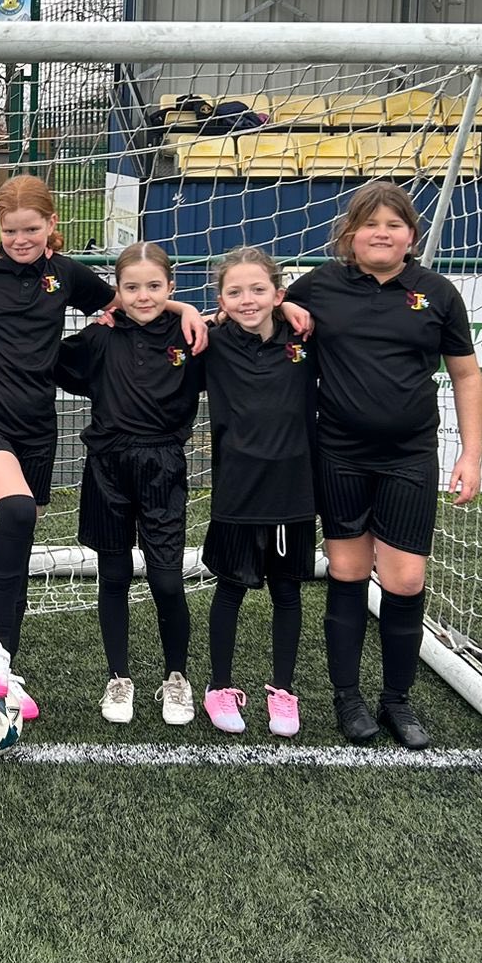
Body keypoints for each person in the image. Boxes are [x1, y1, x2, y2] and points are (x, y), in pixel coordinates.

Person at [0, 176, 207, 721]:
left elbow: (128, 300)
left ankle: (8, 669)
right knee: (18, 510)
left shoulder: (65, 274)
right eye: (10, 230)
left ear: (51, 226)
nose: (20, 239)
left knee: (20, 537)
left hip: (36, 428)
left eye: (31, 229)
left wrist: (187, 309)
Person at [282, 180, 482, 750]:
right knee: (346, 571)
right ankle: (348, 699)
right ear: (350, 235)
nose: (382, 233)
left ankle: (397, 700)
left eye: (394, 225)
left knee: (405, 577)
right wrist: (285, 302)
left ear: (411, 236)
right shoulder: (319, 286)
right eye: (371, 224)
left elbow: (467, 374)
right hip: (339, 452)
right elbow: (261, 310)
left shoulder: (437, 293)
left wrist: (472, 452)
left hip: (409, 455)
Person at [53, 242, 202, 727]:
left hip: (164, 467)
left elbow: (252, 322)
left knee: (165, 578)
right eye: (132, 287)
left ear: (171, 288)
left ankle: (176, 677)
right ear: (116, 290)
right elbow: (43, 356)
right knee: (113, 577)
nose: (143, 296)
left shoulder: (190, 334)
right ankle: (118, 678)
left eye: (154, 286)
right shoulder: (99, 336)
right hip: (107, 467)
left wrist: (190, 310)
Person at [200, 246, 316, 739]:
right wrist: (191, 311)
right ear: (220, 300)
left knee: (286, 593)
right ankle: (219, 687)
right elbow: (160, 319)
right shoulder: (210, 340)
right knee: (229, 590)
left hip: (293, 491)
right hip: (237, 491)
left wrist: (293, 308)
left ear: (278, 293)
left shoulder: (307, 337)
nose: (247, 300)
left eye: (258, 289)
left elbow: (329, 292)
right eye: (234, 292)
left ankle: (282, 691)